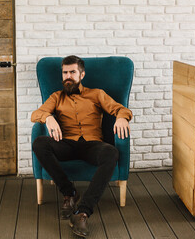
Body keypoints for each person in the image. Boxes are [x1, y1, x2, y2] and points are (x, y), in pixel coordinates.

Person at [31, 55, 132, 237]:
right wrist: (48, 117)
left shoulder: (96, 94)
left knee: (111, 153)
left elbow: (120, 108)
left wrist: (122, 117)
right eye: (65, 73)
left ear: (82, 74)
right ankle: (69, 192)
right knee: (39, 143)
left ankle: (82, 212)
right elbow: (37, 113)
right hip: (66, 144)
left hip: (92, 144)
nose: (68, 76)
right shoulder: (56, 97)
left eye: (72, 72)